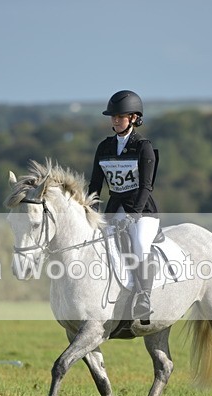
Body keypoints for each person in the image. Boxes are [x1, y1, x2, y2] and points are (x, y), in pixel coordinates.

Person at [88, 90, 159, 323]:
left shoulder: (143, 147)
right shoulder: (104, 147)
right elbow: (95, 185)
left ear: (134, 118)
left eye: (121, 116)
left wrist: (134, 215)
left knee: (138, 244)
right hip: (114, 209)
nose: (116, 120)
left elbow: (146, 186)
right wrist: (89, 211)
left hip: (142, 210)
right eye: (113, 116)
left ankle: (144, 297)